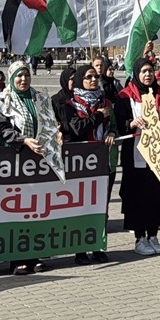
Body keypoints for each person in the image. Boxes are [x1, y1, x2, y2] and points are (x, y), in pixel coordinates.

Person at [0, 61, 61, 273]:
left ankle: (35, 254)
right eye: (19, 76)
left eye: (26, 75)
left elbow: (50, 122)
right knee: (16, 210)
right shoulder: (2, 100)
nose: (23, 80)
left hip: (38, 161)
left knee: (36, 209)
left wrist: (56, 133)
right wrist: (23, 140)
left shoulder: (40, 97)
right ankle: (17, 259)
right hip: (14, 161)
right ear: (11, 78)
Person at [116, 58, 160, 255]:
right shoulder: (126, 96)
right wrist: (131, 123)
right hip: (136, 156)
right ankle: (139, 238)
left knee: (157, 196)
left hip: (159, 155)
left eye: (150, 71)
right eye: (143, 71)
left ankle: (153, 234)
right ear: (136, 73)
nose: (148, 75)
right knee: (138, 198)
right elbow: (119, 123)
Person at [59, 65, 116, 263]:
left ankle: (98, 246)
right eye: (88, 77)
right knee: (81, 207)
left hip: (103, 162)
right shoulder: (71, 105)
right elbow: (77, 129)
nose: (93, 80)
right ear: (79, 81)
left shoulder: (106, 101)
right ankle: (80, 250)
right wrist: (99, 115)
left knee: (102, 207)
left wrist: (111, 132)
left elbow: (114, 124)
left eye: (96, 77)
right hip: (81, 163)